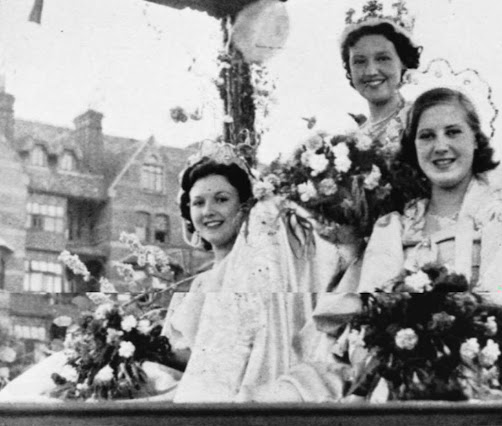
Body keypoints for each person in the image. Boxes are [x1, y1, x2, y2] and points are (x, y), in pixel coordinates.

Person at [292, 62, 502, 403]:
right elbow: (372, 317)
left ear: (475, 140)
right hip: (410, 367)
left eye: (453, 132)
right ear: (413, 147)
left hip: (498, 360)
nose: (440, 146)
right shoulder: (393, 228)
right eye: (427, 136)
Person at [0, 140, 352, 403]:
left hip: (205, 393)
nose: (208, 211)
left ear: (245, 207)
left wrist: (145, 349)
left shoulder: (257, 274)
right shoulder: (196, 283)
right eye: (198, 202)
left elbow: (226, 358)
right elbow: (179, 350)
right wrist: (127, 342)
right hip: (165, 379)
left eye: (221, 199)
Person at [339, 1, 422, 156]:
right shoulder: (354, 139)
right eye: (360, 61)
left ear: (404, 62)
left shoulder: (421, 121)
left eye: (383, 58)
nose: (371, 71)